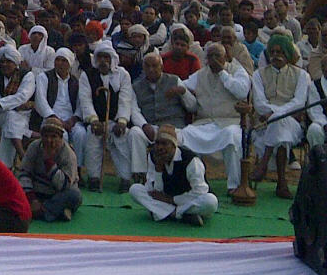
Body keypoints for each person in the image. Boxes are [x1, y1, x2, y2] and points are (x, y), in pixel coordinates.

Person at [178, 42, 251, 194]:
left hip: (229, 122)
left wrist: (222, 73)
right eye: (210, 56)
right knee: (185, 134)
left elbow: (242, 92)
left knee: (231, 137)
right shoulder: (202, 74)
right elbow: (183, 84)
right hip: (205, 122)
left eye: (217, 56)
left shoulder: (237, 71)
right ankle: (197, 181)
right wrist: (178, 89)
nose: (213, 59)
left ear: (225, 57)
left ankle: (234, 185)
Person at [251, 34, 308, 198]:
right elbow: (259, 103)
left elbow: (299, 102)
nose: (276, 56)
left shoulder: (301, 75)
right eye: (273, 52)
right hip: (263, 124)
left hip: (289, 123)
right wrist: (278, 114)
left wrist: (276, 114)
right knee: (280, 132)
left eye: (281, 52)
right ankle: (281, 183)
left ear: (288, 54)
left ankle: (263, 165)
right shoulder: (258, 74)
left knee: (280, 124)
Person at [129, 125, 218, 226]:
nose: (160, 148)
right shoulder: (153, 156)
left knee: (211, 202)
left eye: (164, 144)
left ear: (173, 145)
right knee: (135, 189)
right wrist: (159, 170)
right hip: (165, 199)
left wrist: (172, 200)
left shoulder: (191, 160)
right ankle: (181, 214)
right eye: (157, 143)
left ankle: (166, 212)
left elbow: (200, 191)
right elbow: (154, 191)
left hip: (187, 199)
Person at [128, 52, 196, 182]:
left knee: (180, 139)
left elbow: (192, 107)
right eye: (147, 66)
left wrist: (183, 92)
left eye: (155, 66)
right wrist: (144, 125)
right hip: (151, 127)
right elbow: (134, 110)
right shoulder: (136, 86)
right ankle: (140, 175)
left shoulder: (174, 80)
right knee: (135, 133)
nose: (151, 69)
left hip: (174, 127)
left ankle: (178, 176)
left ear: (161, 67)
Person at [78, 40, 134, 192]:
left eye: (106, 58)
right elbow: (85, 100)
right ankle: (94, 178)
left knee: (122, 141)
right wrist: (94, 121)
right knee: (92, 142)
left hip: (116, 121)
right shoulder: (87, 75)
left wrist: (122, 121)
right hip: (96, 121)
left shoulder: (123, 75)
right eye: (100, 57)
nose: (103, 61)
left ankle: (125, 178)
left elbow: (125, 99)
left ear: (112, 59)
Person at [18, 117, 83, 222]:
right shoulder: (34, 147)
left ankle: (41, 211)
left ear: (61, 138)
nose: (49, 140)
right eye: (46, 136)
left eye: (54, 137)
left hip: (57, 193)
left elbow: (64, 185)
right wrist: (32, 198)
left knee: (75, 195)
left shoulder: (68, 154)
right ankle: (56, 212)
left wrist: (49, 162)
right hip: (36, 192)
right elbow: (24, 173)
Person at [33, 47, 87, 171]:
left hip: (70, 119)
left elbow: (80, 104)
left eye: (64, 61)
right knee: (61, 136)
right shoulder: (44, 77)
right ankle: (59, 169)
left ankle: (76, 169)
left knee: (81, 134)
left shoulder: (75, 81)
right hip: (50, 117)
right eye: (58, 60)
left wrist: (73, 120)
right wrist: (54, 118)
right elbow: (40, 101)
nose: (60, 63)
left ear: (70, 64)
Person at [0, 45, 36, 168]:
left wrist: (0, 103)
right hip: (1, 116)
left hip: (24, 116)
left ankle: (4, 167)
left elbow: (23, 95)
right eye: (2, 62)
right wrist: (13, 105)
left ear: (15, 63)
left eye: (8, 61)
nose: (5, 65)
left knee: (11, 121)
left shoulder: (27, 75)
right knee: (11, 117)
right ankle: (22, 155)